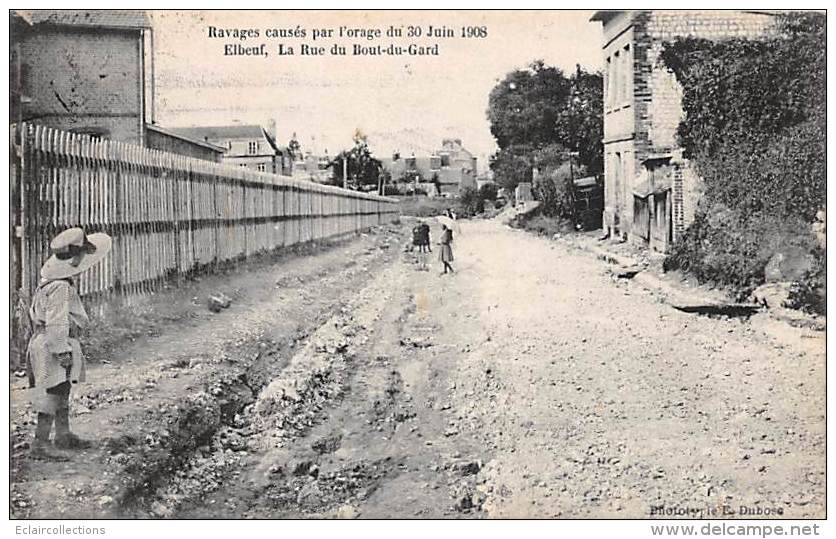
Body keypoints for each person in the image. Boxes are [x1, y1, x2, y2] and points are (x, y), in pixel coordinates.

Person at [27, 227, 112, 460]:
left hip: (53, 340)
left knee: (63, 387)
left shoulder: (56, 282)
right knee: (54, 390)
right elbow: (55, 322)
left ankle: (63, 435)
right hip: (52, 343)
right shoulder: (60, 287)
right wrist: (61, 350)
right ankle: (40, 444)